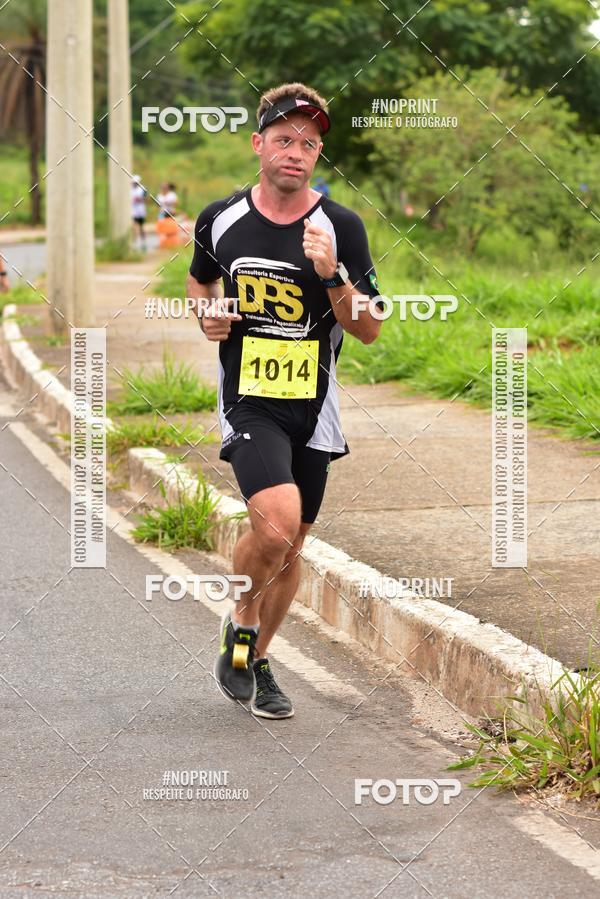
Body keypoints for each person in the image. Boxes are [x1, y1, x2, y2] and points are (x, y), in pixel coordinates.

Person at [186, 82, 383, 719]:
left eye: (309, 144)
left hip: (312, 405)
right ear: (258, 145)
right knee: (273, 519)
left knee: (292, 545)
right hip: (249, 398)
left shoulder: (340, 226)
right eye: (284, 140)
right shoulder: (221, 218)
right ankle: (242, 617)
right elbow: (199, 282)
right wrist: (207, 315)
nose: (296, 152)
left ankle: (257, 659)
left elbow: (369, 325)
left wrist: (332, 274)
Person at [130, 175, 147, 249]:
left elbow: (145, 199)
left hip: (140, 210)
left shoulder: (142, 189)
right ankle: (134, 242)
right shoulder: (130, 190)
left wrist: (139, 199)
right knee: (134, 226)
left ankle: (143, 242)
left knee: (141, 227)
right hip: (133, 210)